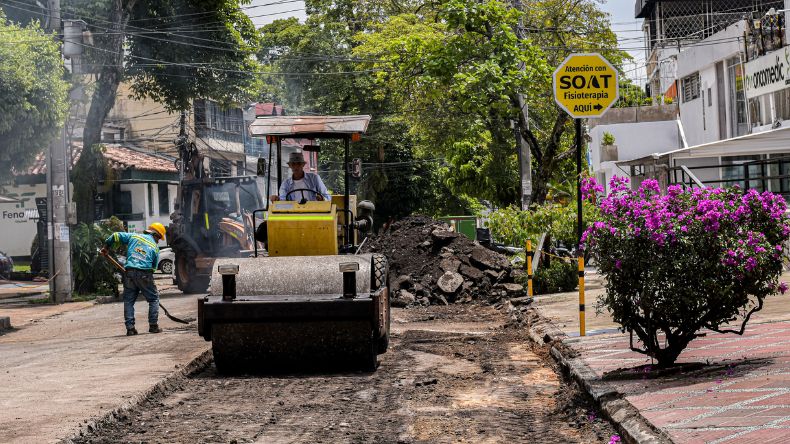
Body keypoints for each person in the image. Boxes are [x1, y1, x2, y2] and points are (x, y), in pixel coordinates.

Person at [100, 223, 166, 336]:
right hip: (145, 274)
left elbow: (115, 235)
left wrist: (106, 247)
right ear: (155, 234)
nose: (158, 241)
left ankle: (130, 329)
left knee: (129, 301)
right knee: (154, 299)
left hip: (129, 273)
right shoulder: (155, 248)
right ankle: (153, 326)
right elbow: (153, 268)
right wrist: (144, 282)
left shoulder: (134, 236)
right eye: (159, 238)